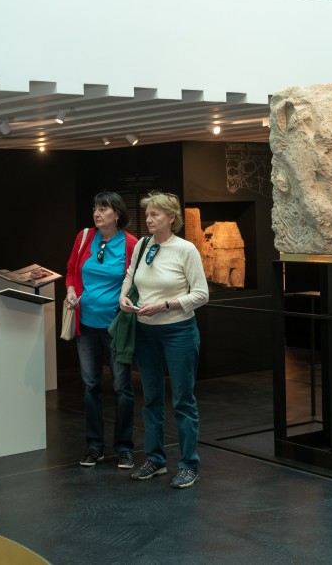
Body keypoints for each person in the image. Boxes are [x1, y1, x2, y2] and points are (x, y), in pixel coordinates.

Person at [119, 192, 208, 489]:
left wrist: (166, 305)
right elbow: (130, 276)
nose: (148, 219)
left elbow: (201, 294)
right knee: (151, 399)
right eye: (147, 214)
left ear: (171, 218)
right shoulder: (143, 245)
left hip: (179, 332)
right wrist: (123, 297)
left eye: (155, 214)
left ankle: (189, 464)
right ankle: (155, 460)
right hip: (146, 333)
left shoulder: (186, 249)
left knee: (183, 400)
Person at [65, 191, 139, 470]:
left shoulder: (130, 244)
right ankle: (94, 446)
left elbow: (137, 282)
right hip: (86, 325)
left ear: (117, 214)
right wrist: (71, 291)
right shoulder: (84, 237)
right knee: (90, 386)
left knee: (122, 387)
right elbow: (72, 270)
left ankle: (124, 448)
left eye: (104, 209)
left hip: (115, 327)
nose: (97, 213)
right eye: (95, 208)